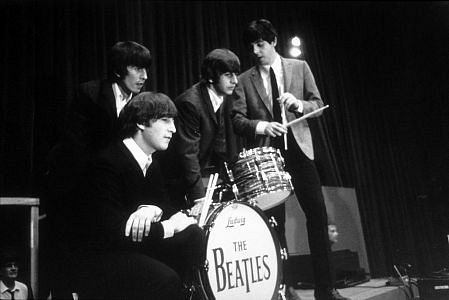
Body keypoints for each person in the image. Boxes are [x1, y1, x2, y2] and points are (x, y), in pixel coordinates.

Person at [231, 19, 349, 300]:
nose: (256, 51)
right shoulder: (245, 79)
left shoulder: (300, 67)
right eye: (251, 47)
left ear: (273, 41)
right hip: (269, 155)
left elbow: (318, 105)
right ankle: (285, 290)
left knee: (318, 217)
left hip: (299, 148)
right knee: (275, 224)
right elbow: (236, 119)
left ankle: (326, 289)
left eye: (260, 44)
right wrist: (262, 126)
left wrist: (298, 105)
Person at [43, 40, 152, 299]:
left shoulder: (141, 103)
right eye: (137, 68)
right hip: (72, 189)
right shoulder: (89, 94)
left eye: (146, 69)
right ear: (118, 69)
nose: (144, 76)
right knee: (67, 270)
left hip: (109, 189)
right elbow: (75, 151)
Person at [74, 92, 205, 299]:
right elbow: (115, 232)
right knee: (165, 278)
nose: (173, 129)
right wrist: (167, 226)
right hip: (105, 256)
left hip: (138, 245)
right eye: (165, 120)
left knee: (194, 235)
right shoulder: (107, 163)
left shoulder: (150, 161)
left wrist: (155, 209)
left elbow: (163, 204)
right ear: (142, 123)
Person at [165, 48, 241, 212]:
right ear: (212, 76)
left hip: (196, 175)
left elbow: (222, 144)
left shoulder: (224, 98)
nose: (235, 80)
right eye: (228, 75)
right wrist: (199, 197)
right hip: (174, 180)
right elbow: (187, 153)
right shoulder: (190, 103)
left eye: (235, 74)